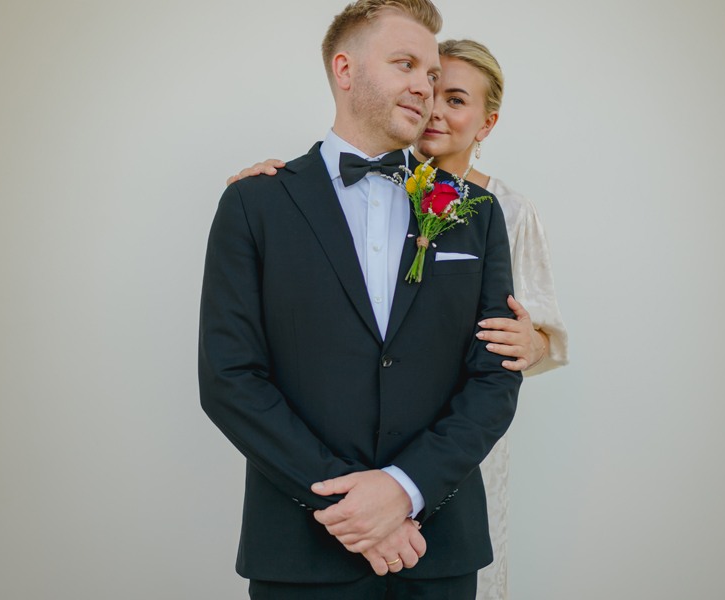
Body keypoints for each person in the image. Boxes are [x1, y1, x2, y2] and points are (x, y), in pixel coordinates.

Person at [199, 1, 522, 598]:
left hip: (437, 550)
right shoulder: (254, 204)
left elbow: (494, 379)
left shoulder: (475, 213)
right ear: (344, 71)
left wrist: (405, 487)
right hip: (301, 551)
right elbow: (230, 378)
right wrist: (353, 504)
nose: (424, 88)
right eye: (405, 64)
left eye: (431, 75)